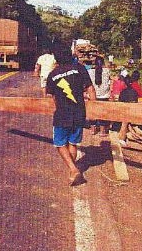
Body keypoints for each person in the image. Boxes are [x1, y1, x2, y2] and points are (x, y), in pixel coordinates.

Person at [45, 54, 96, 186]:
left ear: (56, 59)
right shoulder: (80, 68)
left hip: (62, 114)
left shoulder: (52, 75)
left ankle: (73, 169)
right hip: (79, 113)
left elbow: (53, 98)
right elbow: (90, 88)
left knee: (60, 144)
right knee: (72, 143)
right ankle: (72, 171)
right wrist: (94, 107)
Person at [87, 55, 111, 136]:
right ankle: (102, 131)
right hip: (104, 95)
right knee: (103, 113)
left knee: (92, 112)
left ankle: (93, 130)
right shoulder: (107, 71)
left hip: (93, 95)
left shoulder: (90, 71)